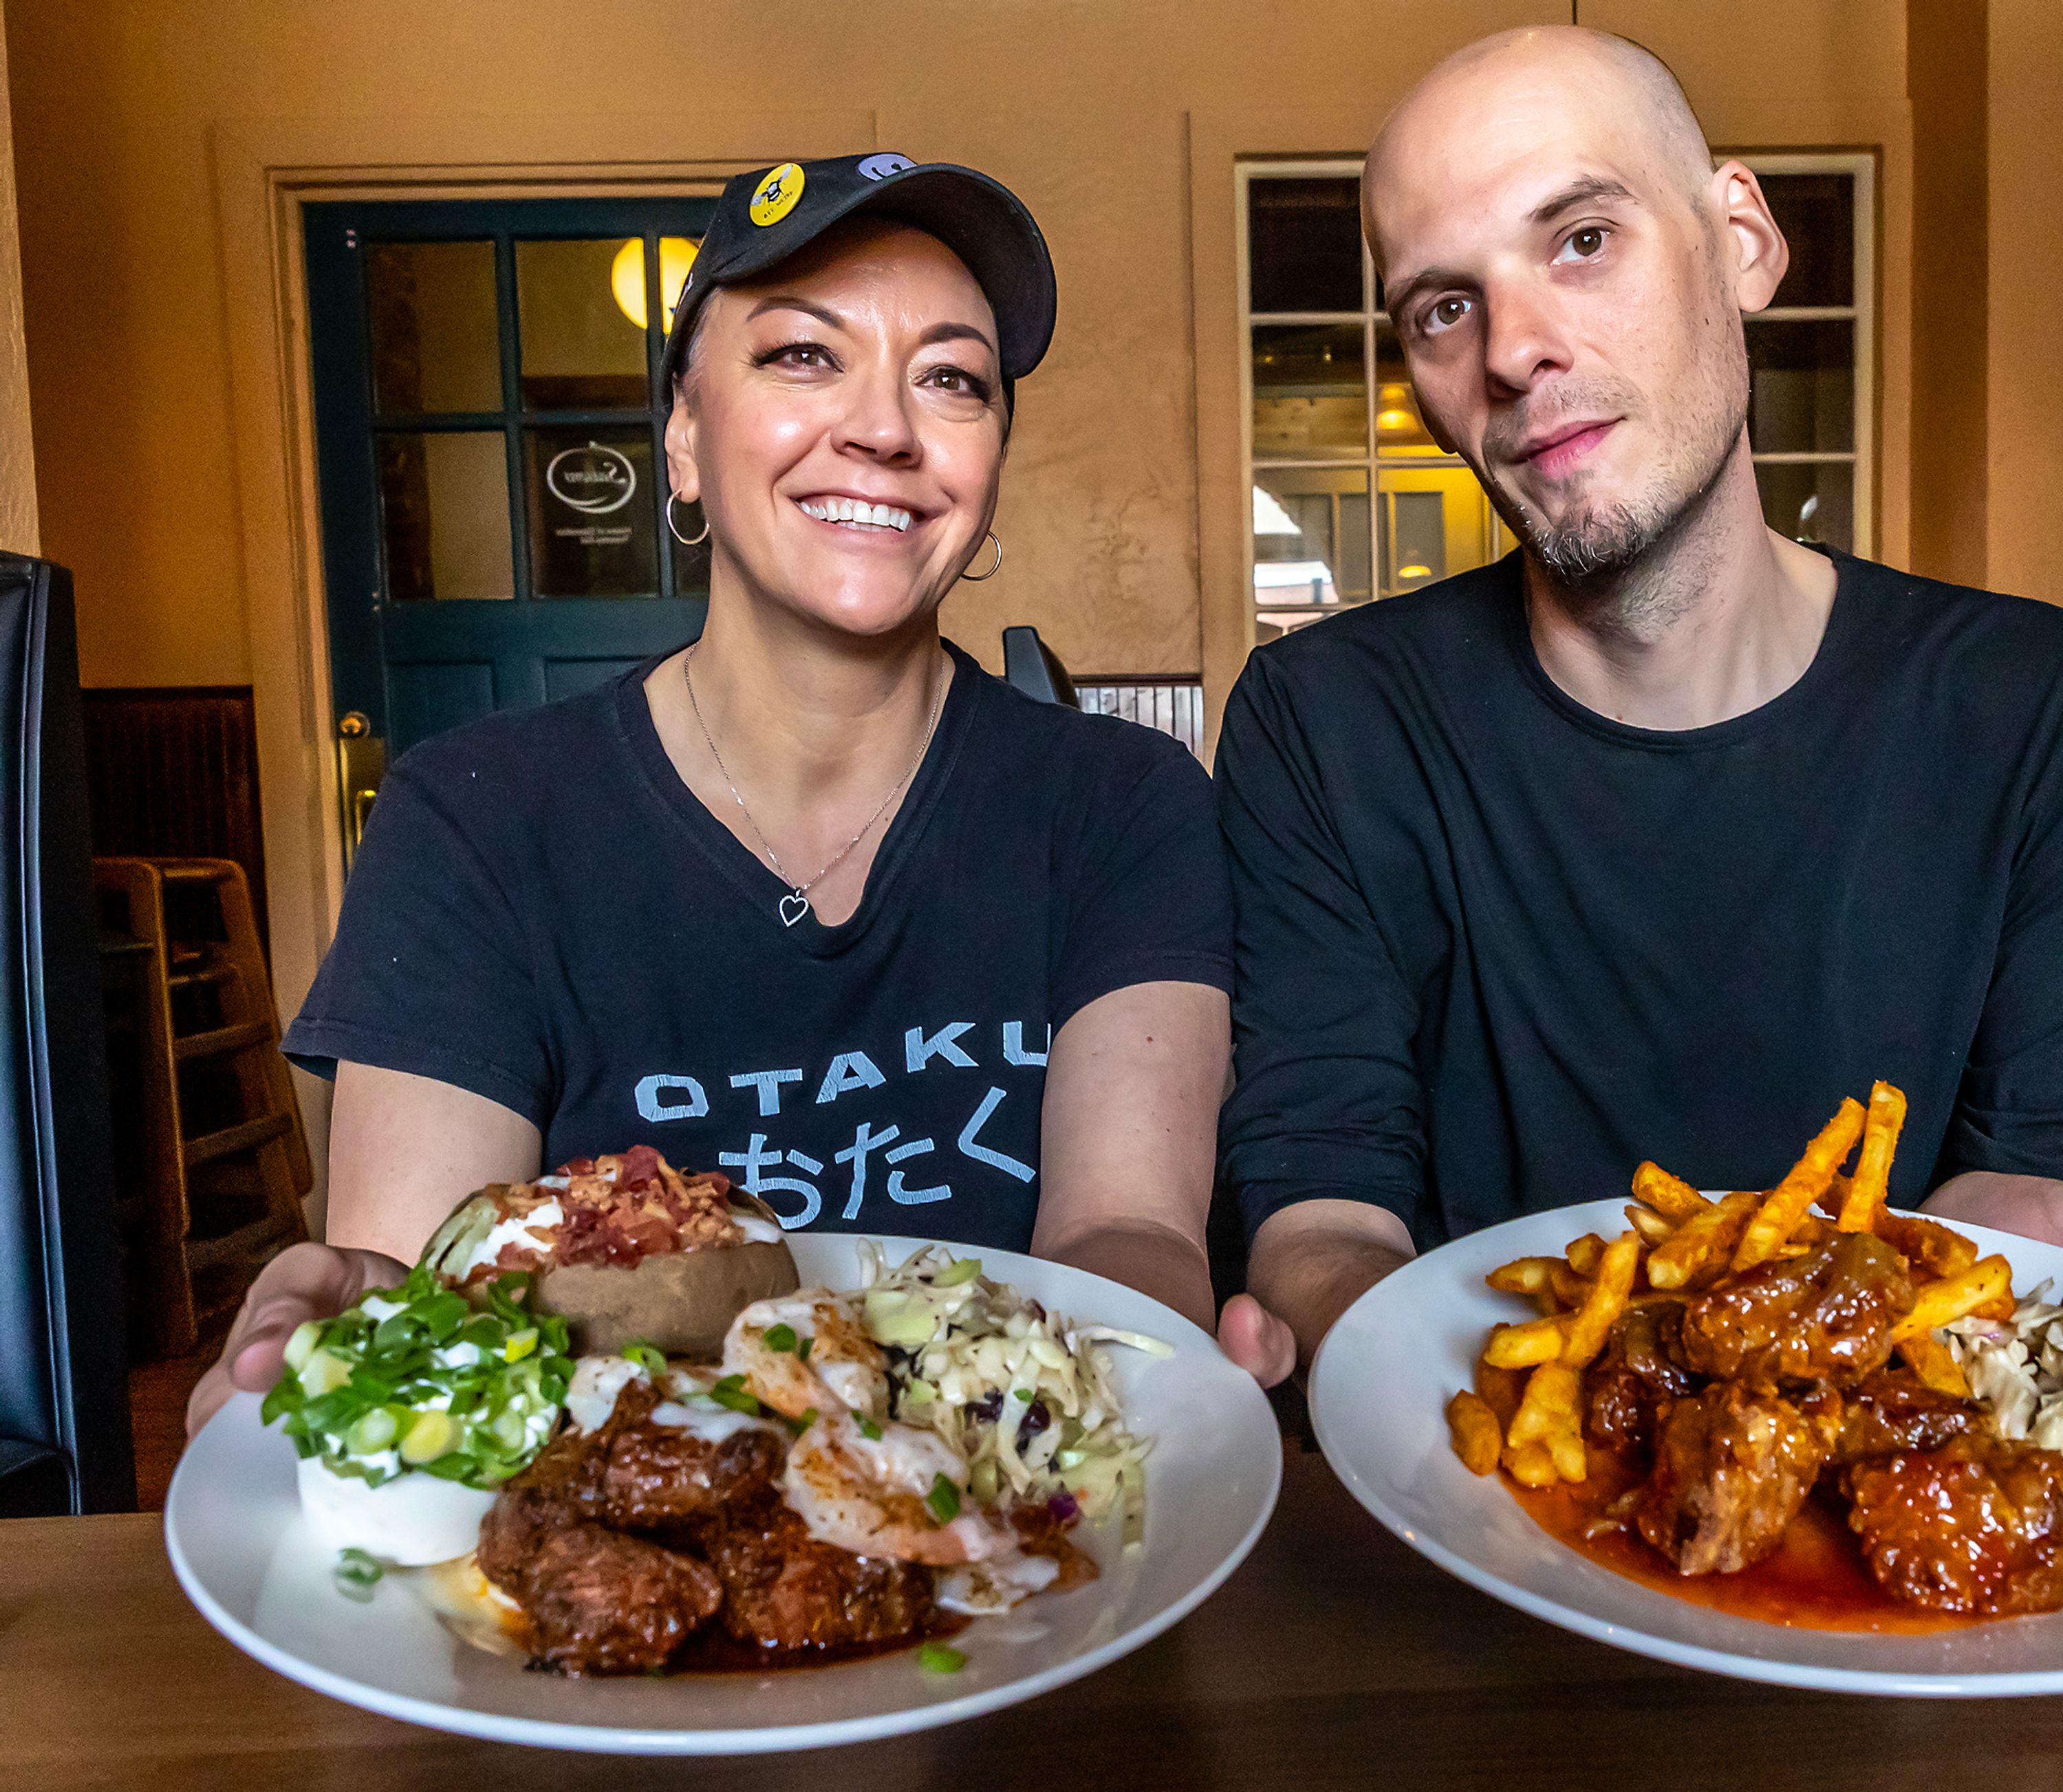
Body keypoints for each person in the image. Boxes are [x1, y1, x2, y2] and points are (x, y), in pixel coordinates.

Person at [1220, 28, 2063, 1368]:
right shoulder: (1322, 724)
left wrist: (2035, 1238)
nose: (1515, 349)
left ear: (1743, 240)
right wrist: (1370, 1352)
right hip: (1473, 1502)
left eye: (1583, 240)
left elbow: (2062, 1184)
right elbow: (1323, 1191)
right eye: (1444, 305)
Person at [192, 153, 1295, 1435]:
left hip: (1006, 1540)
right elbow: (434, 1296)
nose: (885, 427)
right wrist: (356, 1355)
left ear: (989, 466)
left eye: (950, 377)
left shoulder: (1121, 803)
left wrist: (1074, 1408)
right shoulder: (475, 819)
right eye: (801, 357)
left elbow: (1126, 1227)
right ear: (683, 439)